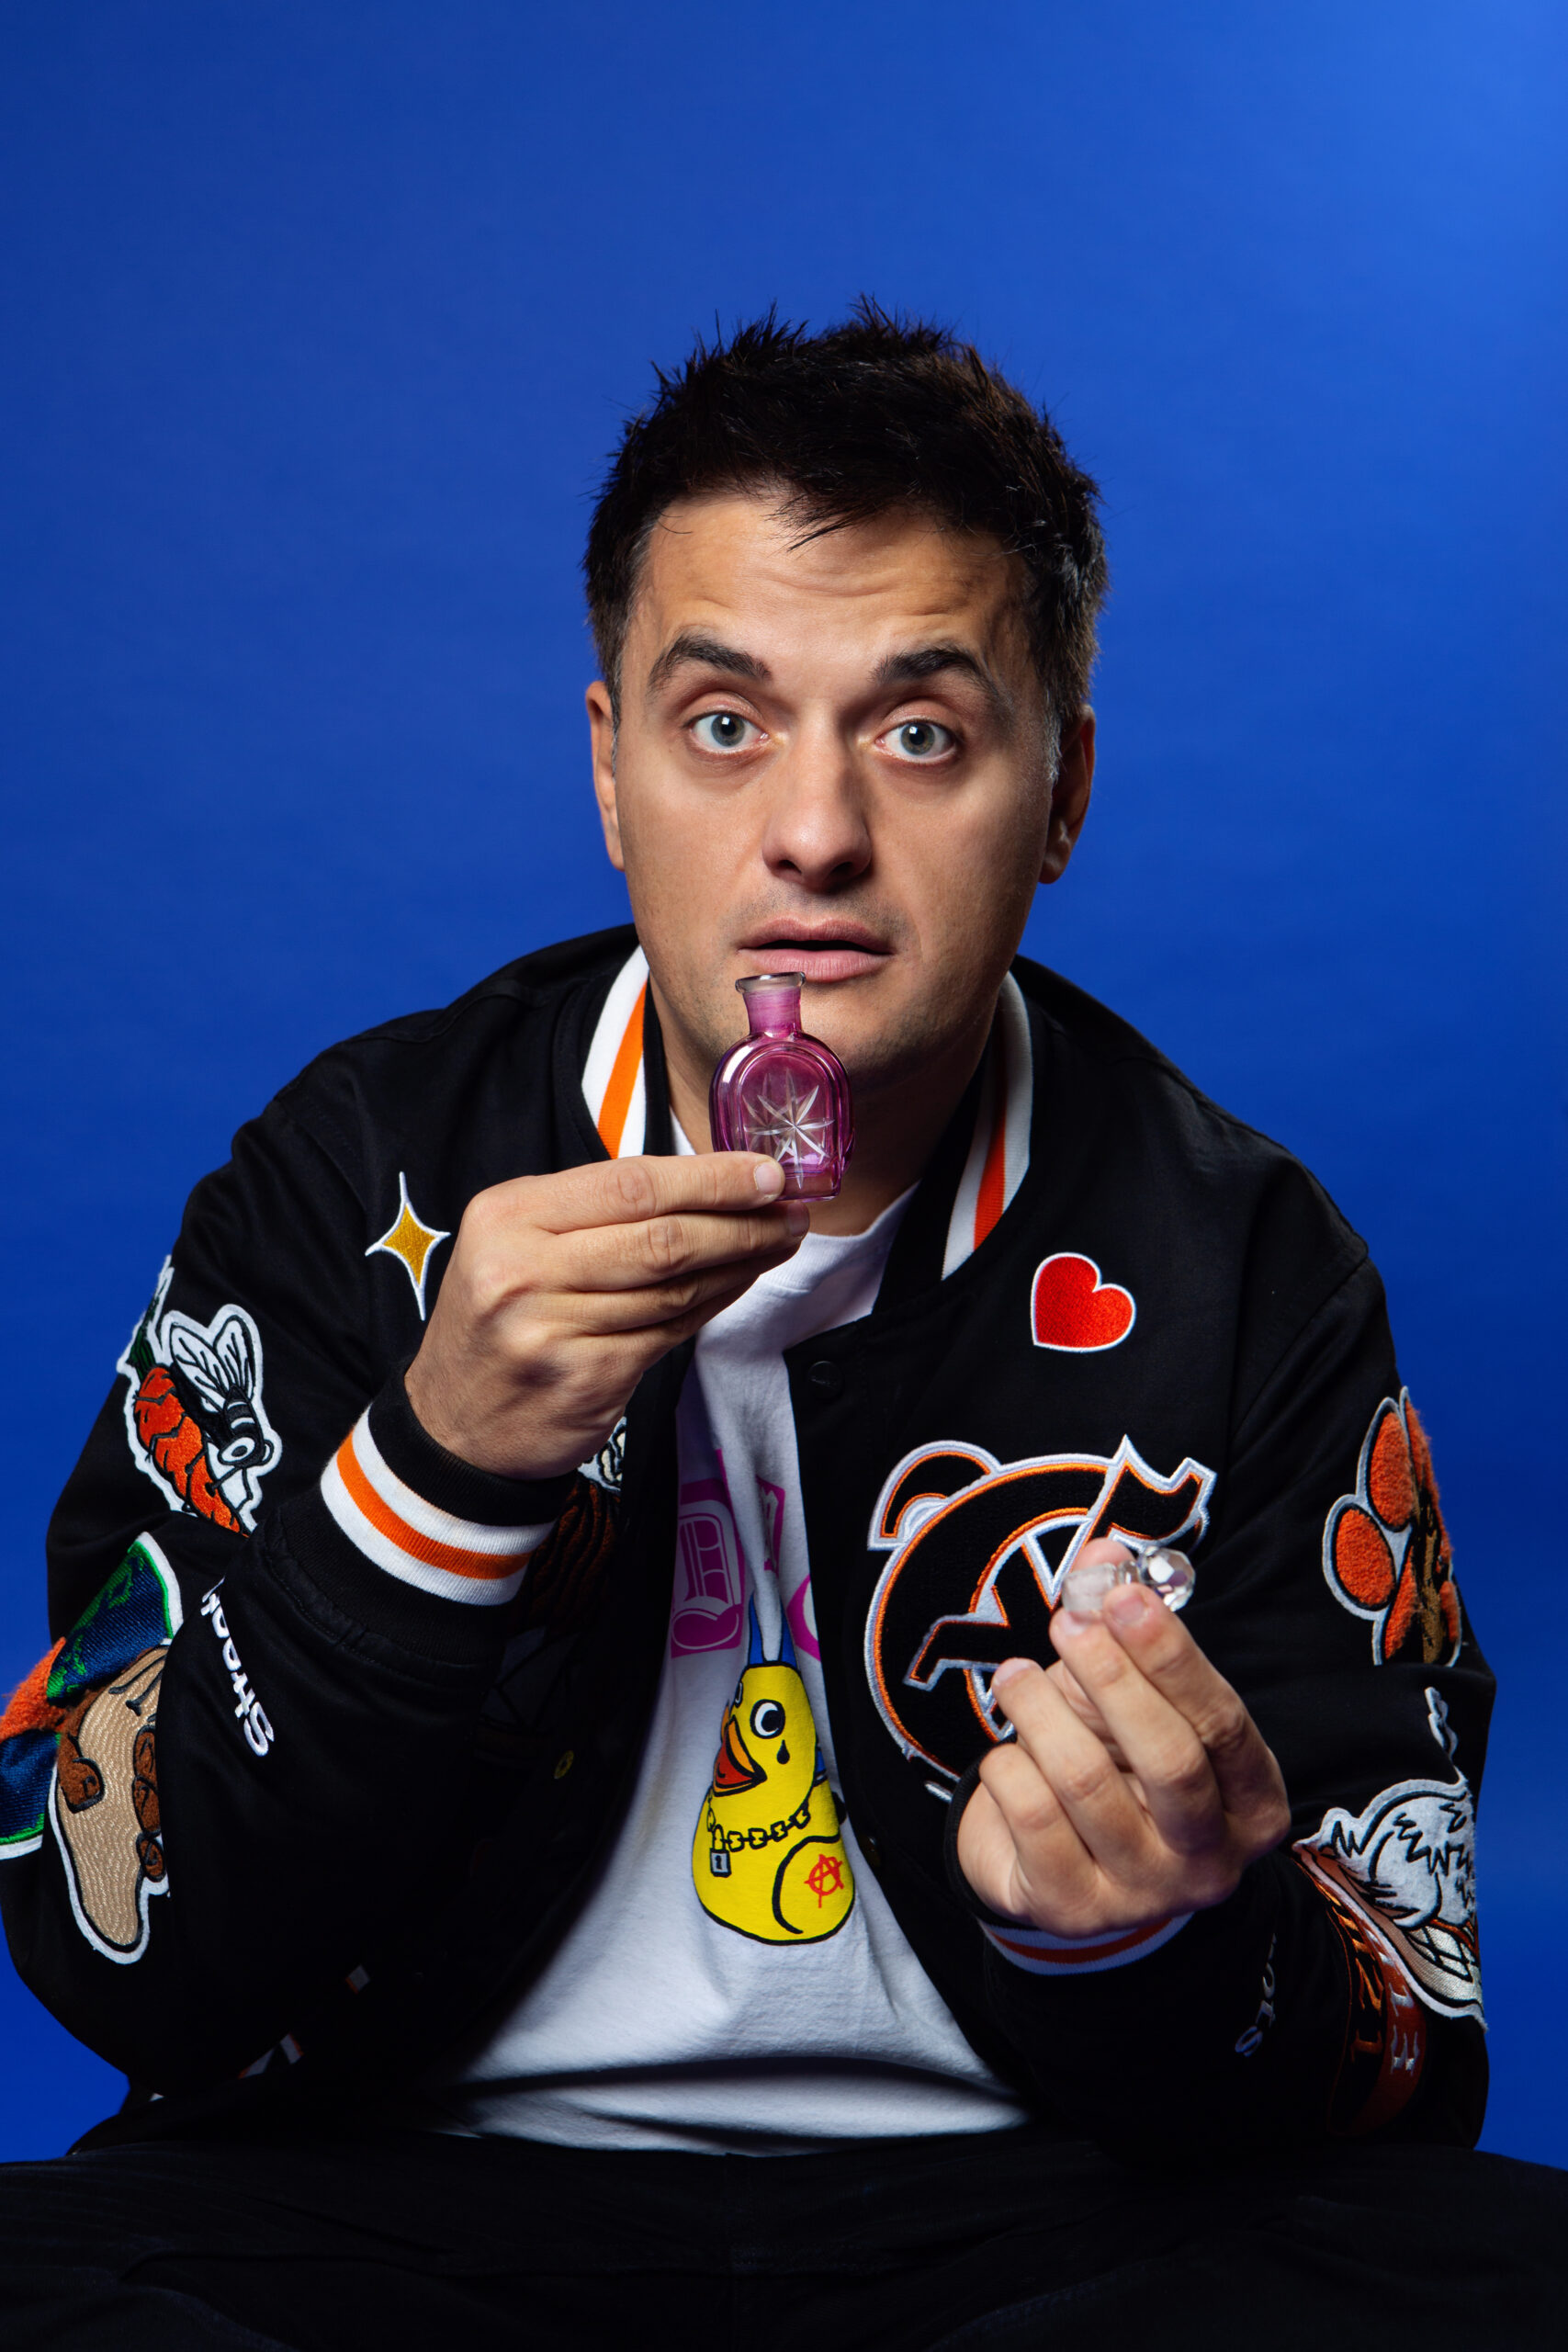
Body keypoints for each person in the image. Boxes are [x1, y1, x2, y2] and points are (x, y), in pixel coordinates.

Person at [0, 304, 1562, 2349]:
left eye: (919, 734)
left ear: (1062, 790)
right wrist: (428, 1483)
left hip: (1042, 2219)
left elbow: (1403, 2042)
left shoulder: (1239, 1254)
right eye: (725, 723)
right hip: (391, 2201)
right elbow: (106, 1941)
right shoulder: (351, 1174)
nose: (813, 833)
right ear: (609, 768)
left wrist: (1154, 1939)